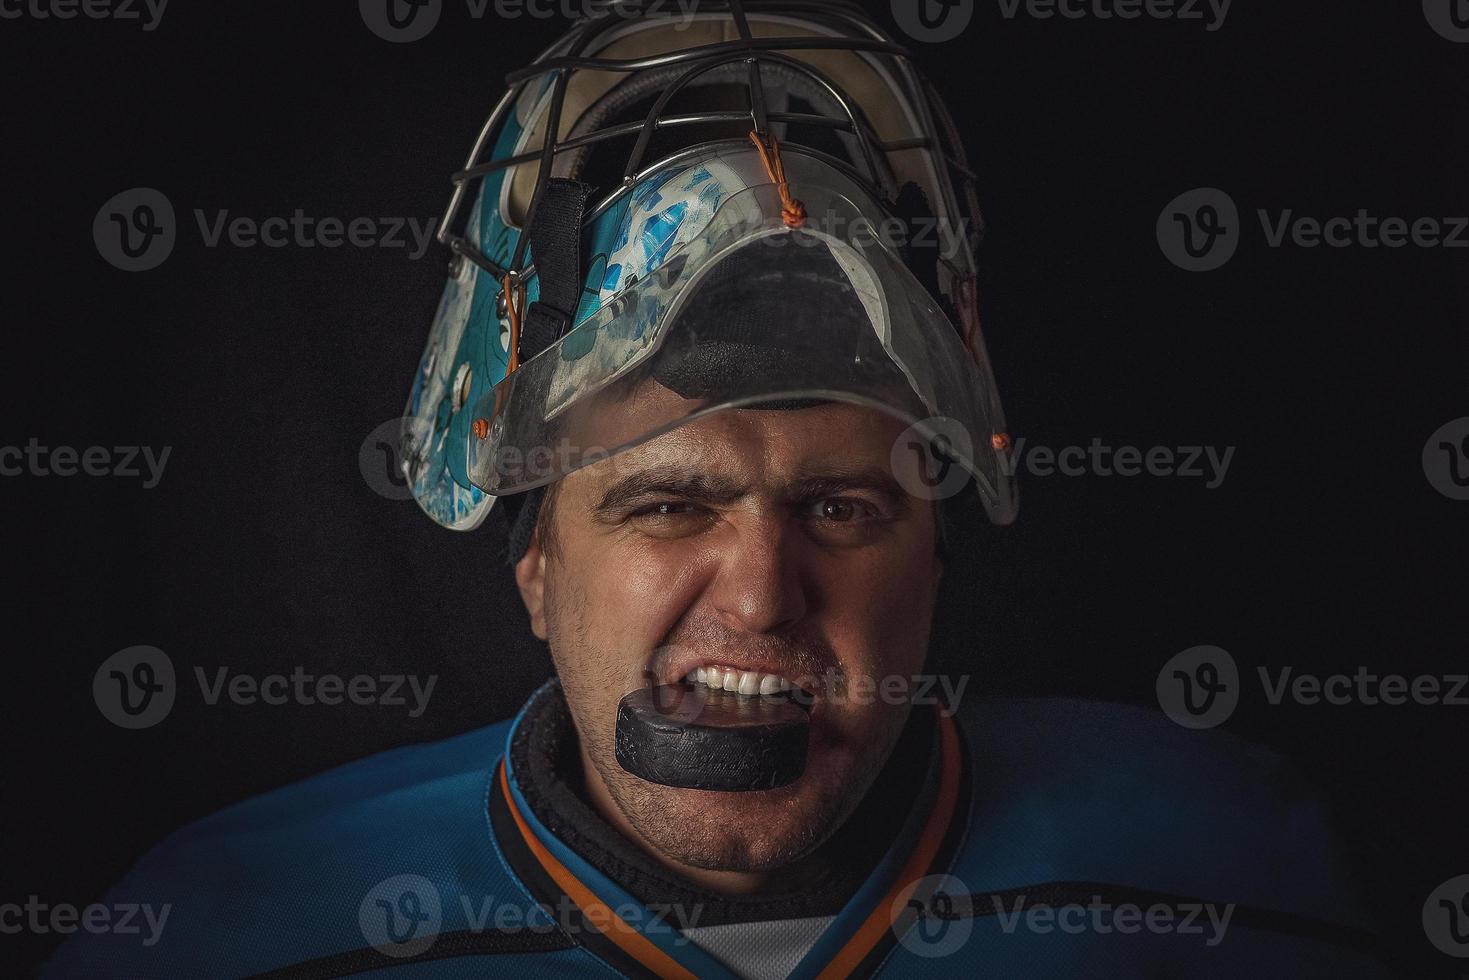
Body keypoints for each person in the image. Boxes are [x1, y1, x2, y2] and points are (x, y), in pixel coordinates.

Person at [47, 2, 1398, 976]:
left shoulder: (1226, 875)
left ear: (932, 557)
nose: (759, 591)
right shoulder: (214, 928)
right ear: (535, 571)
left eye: (838, 509)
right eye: (665, 503)